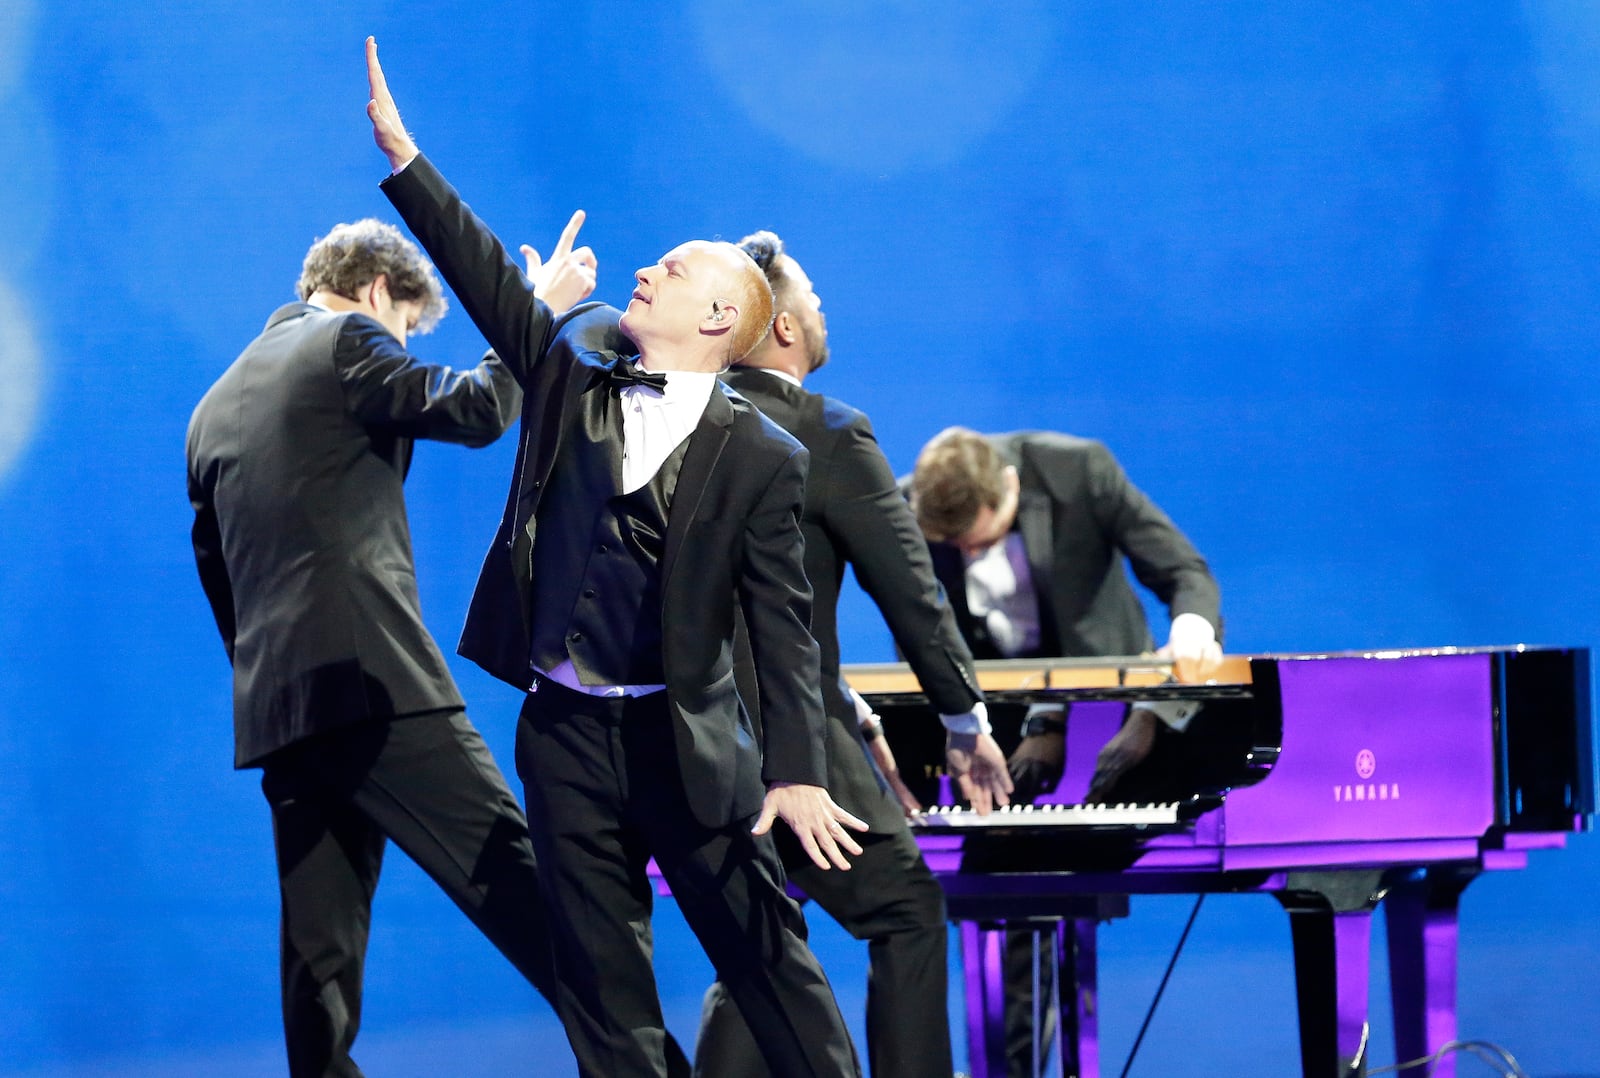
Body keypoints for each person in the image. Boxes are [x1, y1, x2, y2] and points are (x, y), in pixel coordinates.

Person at [364, 38, 870, 1078]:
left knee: (771, 967)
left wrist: (798, 774)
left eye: (673, 269)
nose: (645, 270)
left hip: (682, 742)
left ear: (721, 316)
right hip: (564, 737)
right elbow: (490, 284)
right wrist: (407, 159)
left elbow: (781, 625)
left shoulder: (763, 455)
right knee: (602, 990)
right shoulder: (573, 373)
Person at [185, 216, 612, 1077]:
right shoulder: (345, 339)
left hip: (281, 711)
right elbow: (480, 407)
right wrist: (532, 312)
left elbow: (219, 577)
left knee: (320, 962)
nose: (405, 343)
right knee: (525, 889)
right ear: (380, 293)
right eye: (410, 329)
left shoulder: (211, 407)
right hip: (375, 687)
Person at [693, 231, 1014, 1078]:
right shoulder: (828, 434)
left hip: (684, 741)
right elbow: (912, 596)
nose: (823, 308)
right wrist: (963, 719)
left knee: (760, 936)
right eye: (815, 297)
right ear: (787, 328)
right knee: (905, 911)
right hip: (784, 741)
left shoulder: (682, 425)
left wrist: (857, 713)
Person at [906, 424, 1223, 1078]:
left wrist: (1190, 633)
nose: (968, 553)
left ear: (1012, 487)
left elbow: (1182, 571)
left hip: (1110, 719)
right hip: (993, 724)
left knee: (1062, 891)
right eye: (955, 546)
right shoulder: (912, 505)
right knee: (999, 895)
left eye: (980, 539)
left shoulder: (1078, 471)